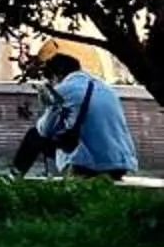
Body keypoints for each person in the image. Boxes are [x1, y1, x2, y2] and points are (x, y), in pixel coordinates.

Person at [11, 53, 140, 179]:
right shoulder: (106, 88)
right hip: (120, 163)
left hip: (91, 165)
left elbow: (44, 130)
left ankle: (13, 178)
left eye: (51, 80)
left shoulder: (64, 89)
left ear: (57, 76)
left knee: (34, 136)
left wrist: (47, 104)